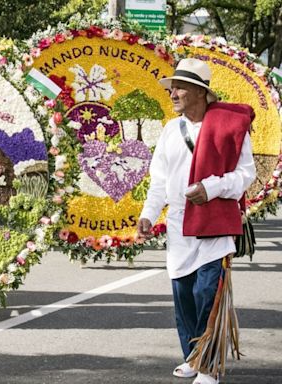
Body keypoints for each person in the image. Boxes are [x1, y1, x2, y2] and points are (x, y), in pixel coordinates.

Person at [137, 58, 256, 384]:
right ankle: (192, 356)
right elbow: (158, 181)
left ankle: (209, 366)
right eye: (172, 88)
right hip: (178, 224)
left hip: (213, 224)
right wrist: (148, 215)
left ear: (200, 92)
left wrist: (212, 187)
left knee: (208, 293)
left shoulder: (231, 127)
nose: (172, 93)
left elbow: (247, 174)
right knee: (184, 294)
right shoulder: (170, 131)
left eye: (179, 87)